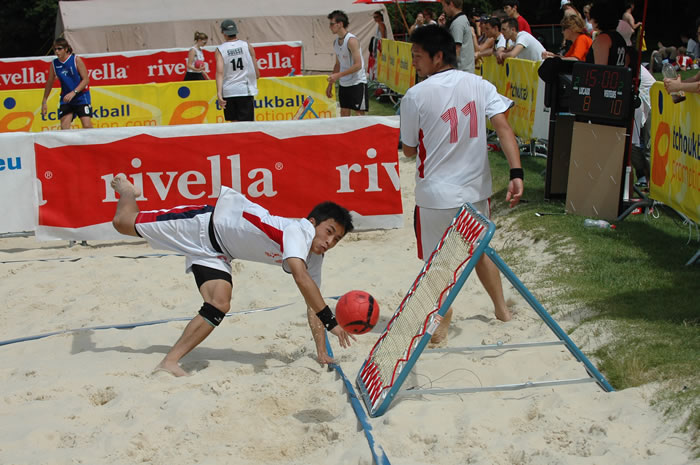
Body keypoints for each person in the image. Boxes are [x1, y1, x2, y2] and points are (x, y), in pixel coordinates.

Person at [109, 175, 356, 376]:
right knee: (122, 222)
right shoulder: (298, 231)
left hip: (219, 253)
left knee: (219, 303)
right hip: (201, 226)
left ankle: (169, 362)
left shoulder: (314, 256)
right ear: (312, 223)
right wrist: (331, 322)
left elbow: (312, 302)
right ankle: (128, 191)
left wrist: (321, 351)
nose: (330, 241)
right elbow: (301, 279)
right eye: (329, 231)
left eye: (336, 239)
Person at [400, 25, 524, 344]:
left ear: (438, 56)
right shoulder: (479, 84)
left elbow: (409, 149)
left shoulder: (415, 95)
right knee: (481, 251)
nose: (414, 61)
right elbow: (504, 128)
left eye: (417, 55)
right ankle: (502, 310)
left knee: (437, 263)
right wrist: (516, 173)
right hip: (473, 193)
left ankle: (442, 317)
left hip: (435, 196)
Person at [40, 38, 93, 130]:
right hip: (66, 98)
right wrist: (44, 101)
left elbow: (86, 80)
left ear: (66, 49)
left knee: (87, 125)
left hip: (81, 96)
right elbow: (49, 82)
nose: (57, 51)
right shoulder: (54, 63)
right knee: (64, 127)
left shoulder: (75, 60)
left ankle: (93, 139)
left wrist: (74, 92)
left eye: (59, 49)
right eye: (55, 49)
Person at [215, 19, 260, 122]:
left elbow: (220, 72)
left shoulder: (220, 49)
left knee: (234, 124)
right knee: (247, 125)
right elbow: (256, 73)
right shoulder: (247, 46)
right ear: (235, 31)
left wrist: (219, 93)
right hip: (244, 90)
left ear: (223, 32)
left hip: (229, 91)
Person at [327, 10, 369, 117]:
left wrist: (338, 75)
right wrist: (330, 84)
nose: (330, 27)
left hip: (357, 82)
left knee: (359, 114)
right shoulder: (336, 42)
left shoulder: (351, 40)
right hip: (344, 83)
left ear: (340, 24)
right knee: (344, 114)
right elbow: (337, 64)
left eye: (332, 24)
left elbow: (358, 65)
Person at [441, 0, 477, 74]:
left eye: (444, 6)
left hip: (460, 71)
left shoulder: (457, 23)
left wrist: (449, 71)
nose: (443, 9)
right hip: (465, 71)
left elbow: (456, 49)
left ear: (451, 4)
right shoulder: (462, 19)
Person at [368, 10, 388, 81]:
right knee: (376, 62)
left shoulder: (381, 24)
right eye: (374, 17)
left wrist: (381, 46)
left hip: (379, 46)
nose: (375, 19)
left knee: (377, 62)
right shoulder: (380, 24)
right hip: (377, 45)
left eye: (376, 17)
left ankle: (376, 78)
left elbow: (383, 37)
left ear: (380, 17)